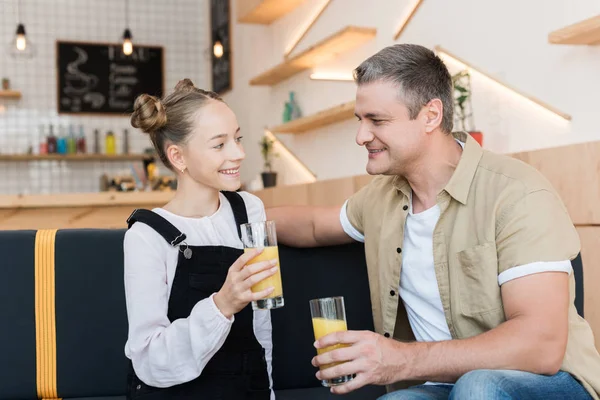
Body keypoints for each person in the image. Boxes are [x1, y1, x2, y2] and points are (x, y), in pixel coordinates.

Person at [267, 44, 600, 400]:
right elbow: (315, 226)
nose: (361, 136)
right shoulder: (381, 198)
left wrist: (402, 360)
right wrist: (229, 214)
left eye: (376, 120)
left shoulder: (517, 194)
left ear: (430, 116)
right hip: (442, 385)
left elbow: (541, 346)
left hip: (547, 383)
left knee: (479, 387)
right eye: (359, 120)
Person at [123, 79, 278, 400]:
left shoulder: (250, 210)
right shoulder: (147, 236)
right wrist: (222, 305)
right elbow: (149, 360)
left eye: (238, 139)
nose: (239, 153)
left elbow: (261, 329)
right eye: (220, 145)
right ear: (178, 157)